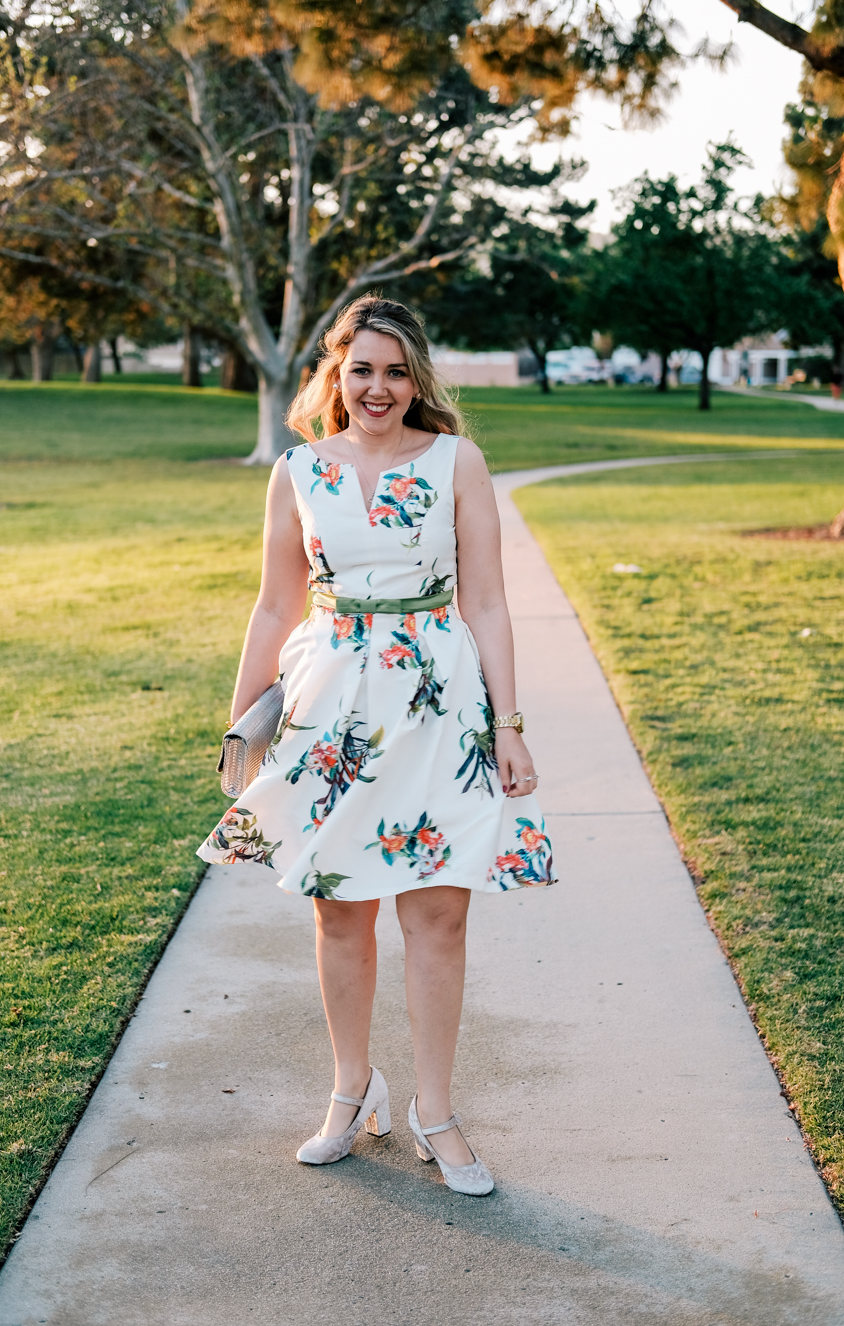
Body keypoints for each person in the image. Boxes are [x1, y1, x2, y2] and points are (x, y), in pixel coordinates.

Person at [198, 295, 554, 1196]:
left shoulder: (457, 463)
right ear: (334, 374)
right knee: (338, 907)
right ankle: (352, 1093)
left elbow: (487, 605)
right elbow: (276, 603)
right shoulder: (297, 471)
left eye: (396, 371)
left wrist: (508, 728)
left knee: (437, 913)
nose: (378, 388)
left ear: (417, 378)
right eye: (362, 369)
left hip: (439, 703)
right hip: (329, 708)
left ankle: (436, 1111)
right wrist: (243, 723)